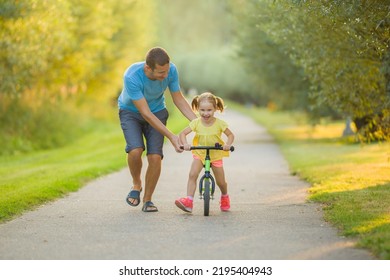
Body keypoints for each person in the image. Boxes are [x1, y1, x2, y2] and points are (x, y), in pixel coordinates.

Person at [118, 47, 196, 212]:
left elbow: (179, 99)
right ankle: (136, 183)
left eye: (167, 71)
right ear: (148, 68)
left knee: (155, 157)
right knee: (135, 150)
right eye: (161, 72)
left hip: (158, 111)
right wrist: (172, 137)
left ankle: (147, 200)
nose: (165, 76)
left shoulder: (171, 70)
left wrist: (198, 123)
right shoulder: (131, 76)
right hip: (131, 113)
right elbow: (145, 113)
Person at [175, 92, 235, 213]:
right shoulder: (196, 122)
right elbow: (182, 134)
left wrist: (227, 145)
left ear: (215, 109)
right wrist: (185, 144)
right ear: (197, 109)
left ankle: (224, 197)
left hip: (216, 154)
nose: (205, 113)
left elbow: (230, 135)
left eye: (209, 110)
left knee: (221, 182)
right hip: (200, 153)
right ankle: (189, 201)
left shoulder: (219, 123)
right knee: (192, 174)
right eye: (202, 110)